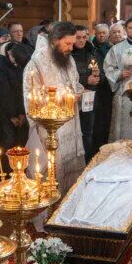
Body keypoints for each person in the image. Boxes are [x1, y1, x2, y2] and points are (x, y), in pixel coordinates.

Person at [23, 21, 85, 188]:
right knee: (52, 178)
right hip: (50, 129)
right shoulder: (36, 63)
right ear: (55, 39)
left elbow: (74, 81)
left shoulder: (68, 59)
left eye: (73, 44)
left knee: (71, 181)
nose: (71, 48)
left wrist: (78, 92)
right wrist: (62, 99)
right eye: (68, 43)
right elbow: (31, 99)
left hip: (71, 124)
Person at [0, 41, 31, 167]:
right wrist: (12, 115)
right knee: (7, 145)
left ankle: (20, 173)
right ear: (9, 53)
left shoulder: (22, 57)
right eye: (14, 62)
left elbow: (23, 88)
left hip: (21, 111)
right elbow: (1, 92)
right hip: (3, 113)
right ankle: (6, 176)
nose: (16, 66)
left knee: (21, 145)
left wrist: (22, 112)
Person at [102, 17, 132, 142]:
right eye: (131, 28)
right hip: (124, 93)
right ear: (126, 30)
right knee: (123, 128)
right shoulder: (116, 49)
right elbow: (108, 68)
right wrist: (119, 74)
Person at [70, 24, 101, 159]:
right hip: (74, 100)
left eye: (84, 37)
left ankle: (87, 161)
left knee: (88, 133)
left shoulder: (92, 51)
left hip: (90, 99)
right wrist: (86, 80)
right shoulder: (68, 53)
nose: (81, 40)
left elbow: (101, 74)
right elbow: (68, 78)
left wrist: (99, 76)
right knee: (74, 132)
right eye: (78, 37)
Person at [90, 23, 114, 154]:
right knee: (95, 122)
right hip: (94, 88)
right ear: (95, 33)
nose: (101, 35)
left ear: (107, 34)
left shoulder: (111, 48)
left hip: (107, 89)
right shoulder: (91, 48)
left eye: (104, 33)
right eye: (99, 33)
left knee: (105, 120)